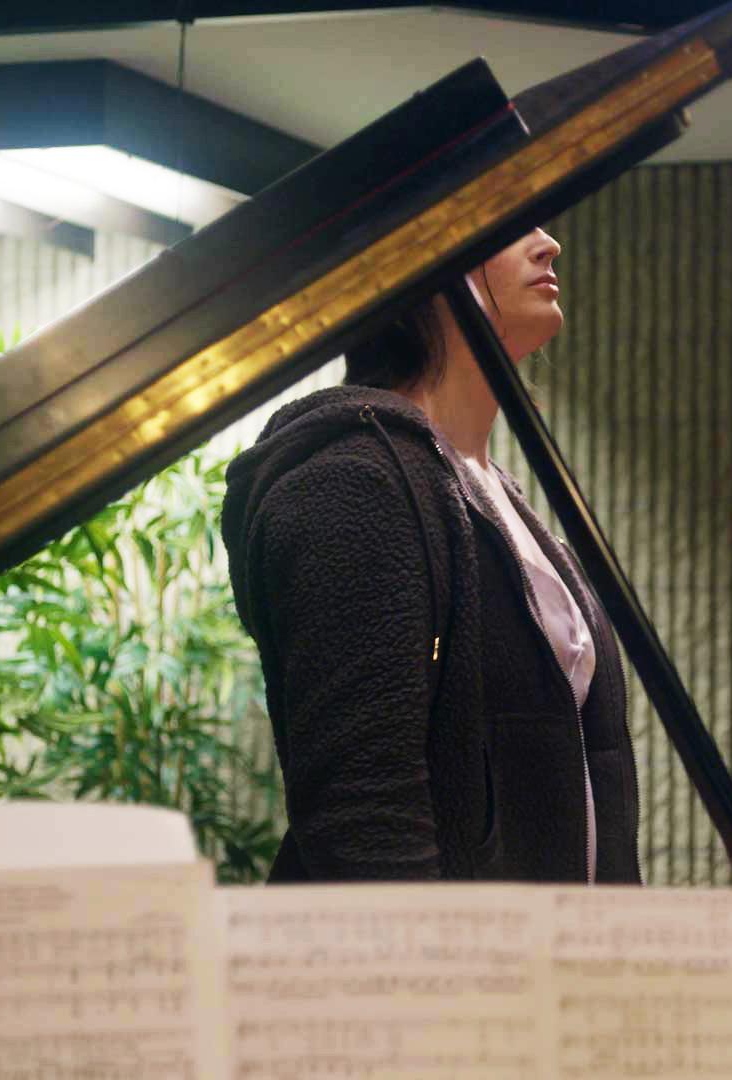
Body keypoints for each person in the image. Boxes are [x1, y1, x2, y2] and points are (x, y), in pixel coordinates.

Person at [221, 228, 641, 885]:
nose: (551, 244)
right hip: (441, 973)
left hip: (545, 963)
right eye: (511, 225)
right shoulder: (354, 478)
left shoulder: (488, 488)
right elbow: (364, 813)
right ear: (419, 259)